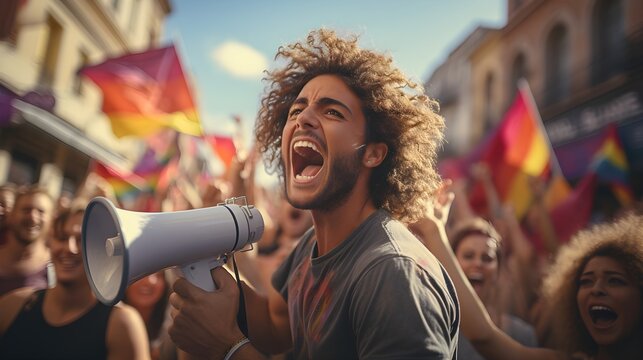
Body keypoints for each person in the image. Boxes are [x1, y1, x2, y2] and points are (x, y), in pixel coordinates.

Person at [168, 28, 459, 359]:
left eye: (332, 111)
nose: (303, 119)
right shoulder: (311, 245)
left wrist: (228, 348)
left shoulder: (393, 273)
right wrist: (208, 276)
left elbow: (240, 343)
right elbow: (277, 326)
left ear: (374, 153)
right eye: (296, 110)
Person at [416, 187, 643, 360]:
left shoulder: (522, 332)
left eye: (615, 281)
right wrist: (433, 230)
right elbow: (485, 337)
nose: (597, 289)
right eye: (586, 281)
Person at [0, 200, 150, 359]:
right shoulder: (13, 305)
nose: (69, 248)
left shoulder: (121, 324)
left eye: (81, 240)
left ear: (106, 249)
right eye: (62, 237)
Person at [449, 217, 538, 359]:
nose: (478, 263)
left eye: (487, 258)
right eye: (468, 256)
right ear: (451, 265)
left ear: (497, 271)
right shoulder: (438, 327)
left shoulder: (522, 334)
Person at [0, 186, 54, 296]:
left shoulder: (56, 270)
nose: (33, 217)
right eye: (26, 210)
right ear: (12, 215)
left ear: (51, 220)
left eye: (41, 212)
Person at [124, 271, 175, 360]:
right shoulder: (108, 322)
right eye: (139, 274)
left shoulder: (175, 329)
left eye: (158, 275)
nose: (150, 281)